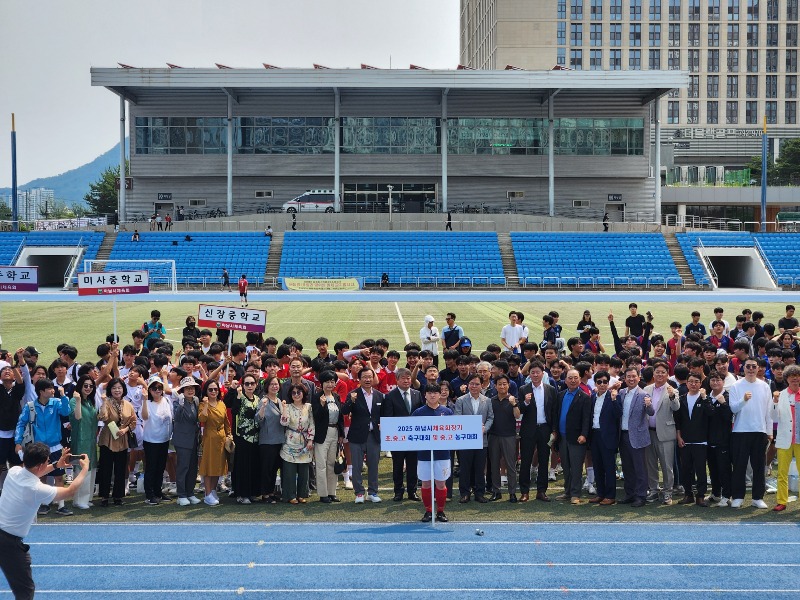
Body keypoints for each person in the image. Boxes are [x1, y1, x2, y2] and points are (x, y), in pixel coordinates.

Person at [0, 443, 89, 600]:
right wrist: (84, 469)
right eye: (47, 460)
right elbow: (70, 491)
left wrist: (56, 465)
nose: (48, 462)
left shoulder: (14, 471)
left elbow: (34, 471)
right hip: (9, 544)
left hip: (5, 536)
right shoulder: (36, 489)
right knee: (25, 591)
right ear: (40, 465)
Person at [14, 378, 73, 516]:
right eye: (49, 388)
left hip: (56, 446)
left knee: (59, 477)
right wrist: (18, 442)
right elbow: (21, 424)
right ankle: (44, 504)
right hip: (39, 448)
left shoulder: (57, 402)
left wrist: (63, 396)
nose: (53, 390)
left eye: (53, 387)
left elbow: (66, 412)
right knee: (41, 477)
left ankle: (61, 505)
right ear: (41, 391)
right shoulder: (30, 406)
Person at [728, 357, 773, 509]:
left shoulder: (764, 386)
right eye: (748, 366)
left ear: (758, 368)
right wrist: (743, 400)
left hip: (759, 431)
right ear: (743, 367)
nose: (751, 369)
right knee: (739, 466)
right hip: (740, 431)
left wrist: (769, 431)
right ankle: (738, 497)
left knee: (759, 466)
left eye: (754, 366)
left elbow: (768, 411)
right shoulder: (736, 385)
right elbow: (733, 408)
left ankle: (757, 497)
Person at [341, 368, 384, 504]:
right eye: (364, 377)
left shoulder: (379, 395)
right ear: (359, 379)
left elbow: (383, 414)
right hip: (357, 435)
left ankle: (372, 492)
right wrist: (351, 401)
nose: (367, 379)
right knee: (357, 465)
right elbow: (344, 410)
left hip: (374, 435)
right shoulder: (353, 394)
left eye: (370, 377)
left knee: (373, 465)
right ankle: (359, 493)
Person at [518, 361, 557, 502]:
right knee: (526, 460)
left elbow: (554, 411)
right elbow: (519, 410)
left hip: (545, 429)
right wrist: (526, 402)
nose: (535, 375)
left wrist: (554, 430)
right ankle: (524, 492)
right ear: (529, 374)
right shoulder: (523, 389)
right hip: (528, 429)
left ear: (543, 373)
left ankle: (541, 491)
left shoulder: (550, 389)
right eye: (532, 372)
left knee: (543, 460)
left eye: (537, 372)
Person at [413, 386, 454, 522]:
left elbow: (456, 430)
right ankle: (428, 511)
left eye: (435, 393)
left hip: (442, 454)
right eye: (429, 393)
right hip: (424, 454)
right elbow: (407, 430)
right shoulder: (418, 413)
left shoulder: (447, 412)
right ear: (425, 395)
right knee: (426, 483)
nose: (432, 395)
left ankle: (440, 511)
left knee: (441, 484)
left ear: (440, 394)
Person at [381, 368, 423, 501]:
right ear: (397, 380)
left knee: (413, 466)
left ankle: (412, 491)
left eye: (408, 378)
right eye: (403, 378)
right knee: (398, 466)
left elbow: (421, 415)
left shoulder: (417, 394)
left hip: (414, 438)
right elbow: (388, 417)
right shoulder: (390, 396)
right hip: (397, 438)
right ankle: (398, 491)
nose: (406, 381)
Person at [642, 361, 680, 505]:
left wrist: (672, 396)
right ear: (653, 374)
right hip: (649, 432)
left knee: (666, 466)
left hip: (665, 433)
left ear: (667, 374)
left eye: (663, 372)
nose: (660, 374)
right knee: (651, 464)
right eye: (657, 372)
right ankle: (653, 490)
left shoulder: (672, 390)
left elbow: (676, 408)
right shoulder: (647, 389)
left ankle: (667, 492)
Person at [553, 369, 592, 505]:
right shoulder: (560, 395)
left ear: (580, 380)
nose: (573, 380)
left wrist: (584, 434)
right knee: (566, 466)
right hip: (562, 437)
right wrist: (555, 431)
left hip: (577, 438)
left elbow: (587, 419)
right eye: (570, 378)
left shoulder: (585, 397)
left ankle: (575, 494)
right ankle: (567, 491)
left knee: (576, 467)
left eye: (576, 378)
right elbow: (556, 414)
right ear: (565, 380)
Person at [617, 367, 654, 507]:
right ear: (624, 378)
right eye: (628, 376)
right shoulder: (621, 392)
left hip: (637, 436)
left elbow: (651, 412)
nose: (631, 379)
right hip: (623, 435)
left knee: (640, 468)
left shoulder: (644, 394)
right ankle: (630, 494)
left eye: (634, 376)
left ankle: (641, 496)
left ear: (639, 378)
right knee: (627, 467)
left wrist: (649, 405)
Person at [97, 377, 136, 507]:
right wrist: (104, 402)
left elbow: (133, 421)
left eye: (119, 388)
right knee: (105, 468)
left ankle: (118, 496)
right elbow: (103, 417)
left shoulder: (128, 404)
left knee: (120, 468)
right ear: (110, 390)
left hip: (122, 439)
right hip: (108, 439)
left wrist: (125, 430)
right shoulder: (107, 402)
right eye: (114, 388)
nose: (117, 390)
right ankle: (104, 496)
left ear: (123, 389)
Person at [674, 372, 712, 507]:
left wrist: (705, 398)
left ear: (700, 383)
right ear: (687, 383)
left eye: (696, 381)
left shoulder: (704, 398)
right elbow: (677, 421)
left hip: (701, 441)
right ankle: (688, 494)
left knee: (701, 470)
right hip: (685, 441)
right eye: (690, 381)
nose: (693, 384)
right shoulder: (682, 399)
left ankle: (700, 496)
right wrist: (679, 437)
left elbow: (711, 413)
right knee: (686, 470)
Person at [454, 375, 494, 503]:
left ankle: (479, 493)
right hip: (465, 440)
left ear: (481, 385)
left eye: (477, 384)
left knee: (479, 468)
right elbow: (457, 418)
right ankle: (465, 493)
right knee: (465, 468)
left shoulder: (487, 400)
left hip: (481, 440)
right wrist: (468, 428)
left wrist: (484, 428)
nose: (474, 386)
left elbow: (490, 418)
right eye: (471, 384)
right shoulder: (461, 400)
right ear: (468, 385)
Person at [225, 373, 262, 504]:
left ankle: (252, 492)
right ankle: (241, 493)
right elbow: (233, 409)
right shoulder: (240, 396)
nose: (250, 386)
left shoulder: (258, 399)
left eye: (252, 383)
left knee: (253, 465)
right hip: (242, 437)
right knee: (242, 467)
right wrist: (236, 393)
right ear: (243, 385)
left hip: (255, 437)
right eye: (247, 383)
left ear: (256, 385)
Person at [588, 371, 622, 505]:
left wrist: (614, 400)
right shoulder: (593, 397)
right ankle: (600, 493)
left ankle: (610, 495)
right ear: (595, 383)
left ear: (608, 383)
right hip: (595, 435)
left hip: (608, 436)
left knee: (609, 467)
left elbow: (618, 414)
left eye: (605, 382)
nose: (602, 384)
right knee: (597, 466)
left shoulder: (614, 396)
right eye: (599, 382)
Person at [311, 371, 344, 504]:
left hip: (334, 432)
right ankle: (323, 494)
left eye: (332, 382)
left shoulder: (336, 396)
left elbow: (340, 417)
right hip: (322, 434)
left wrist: (341, 434)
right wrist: (322, 405)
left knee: (331, 463)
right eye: (327, 382)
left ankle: (332, 492)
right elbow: (316, 416)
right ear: (322, 383)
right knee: (321, 464)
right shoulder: (317, 397)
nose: (330, 384)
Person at [141, 374, 174, 505]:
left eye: (160, 388)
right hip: (151, 440)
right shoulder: (148, 403)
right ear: (149, 390)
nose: (157, 390)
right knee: (151, 468)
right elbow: (144, 417)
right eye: (154, 388)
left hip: (164, 439)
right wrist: (144, 400)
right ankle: (149, 494)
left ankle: (158, 491)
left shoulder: (166, 400)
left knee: (160, 468)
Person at [279, 384, 315, 504]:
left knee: (304, 471)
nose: (296, 395)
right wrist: (284, 408)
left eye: (299, 392)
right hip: (290, 440)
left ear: (303, 394)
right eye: (293, 393)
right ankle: (290, 495)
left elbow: (312, 424)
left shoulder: (309, 407)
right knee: (289, 470)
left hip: (305, 441)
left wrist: (310, 440)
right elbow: (284, 423)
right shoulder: (288, 407)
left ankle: (302, 494)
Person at [488, 374, 521, 502]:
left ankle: (512, 493)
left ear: (509, 385)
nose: (502, 386)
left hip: (509, 436)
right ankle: (496, 491)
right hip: (494, 436)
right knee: (494, 465)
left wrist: (514, 404)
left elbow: (517, 416)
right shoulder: (491, 401)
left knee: (511, 465)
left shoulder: (513, 399)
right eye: (499, 384)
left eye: (504, 384)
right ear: (495, 386)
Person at [771, 364, 800, 512]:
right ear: (787, 379)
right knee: (782, 473)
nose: (795, 379)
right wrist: (775, 402)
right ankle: (781, 501)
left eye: (797, 376)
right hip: (784, 439)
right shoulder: (781, 395)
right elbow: (773, 417)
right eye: (791, 376)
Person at [68, 375, 99, 510]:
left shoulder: (90, 402)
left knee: (91, 468)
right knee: (81, 469)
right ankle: (79, 499)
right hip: (80, 439)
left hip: (91, 440)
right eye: (85, 385)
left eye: (91, 386)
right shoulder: (74, 400)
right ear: (80, 386)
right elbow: (77, 417)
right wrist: (78, 400)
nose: (88, 388)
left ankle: (87, 498)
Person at [198, 380, 230, 506]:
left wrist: (229, 434)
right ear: (206, 391)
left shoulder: (221, 404)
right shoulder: (202, 404)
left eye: (215, 389)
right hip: (209, 437)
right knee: (208, 466)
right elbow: (202, 418)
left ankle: (213, 490)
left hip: (221, 437)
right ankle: (207, 494)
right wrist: (206, 404)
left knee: (218, 466)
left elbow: (226, 421)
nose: (213, 392)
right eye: (210, 389)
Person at [173, 377, 201, 506]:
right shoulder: (178, 402)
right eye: (187, 388)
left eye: (192, 388)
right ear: (182, 390)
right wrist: (181, 403)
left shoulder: (196, 401)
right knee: (183, 467)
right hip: (182, 440)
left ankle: (190, 492)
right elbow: (177, 417)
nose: (190, 390)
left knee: (193, 468)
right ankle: (182, 494)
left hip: (194, 439)